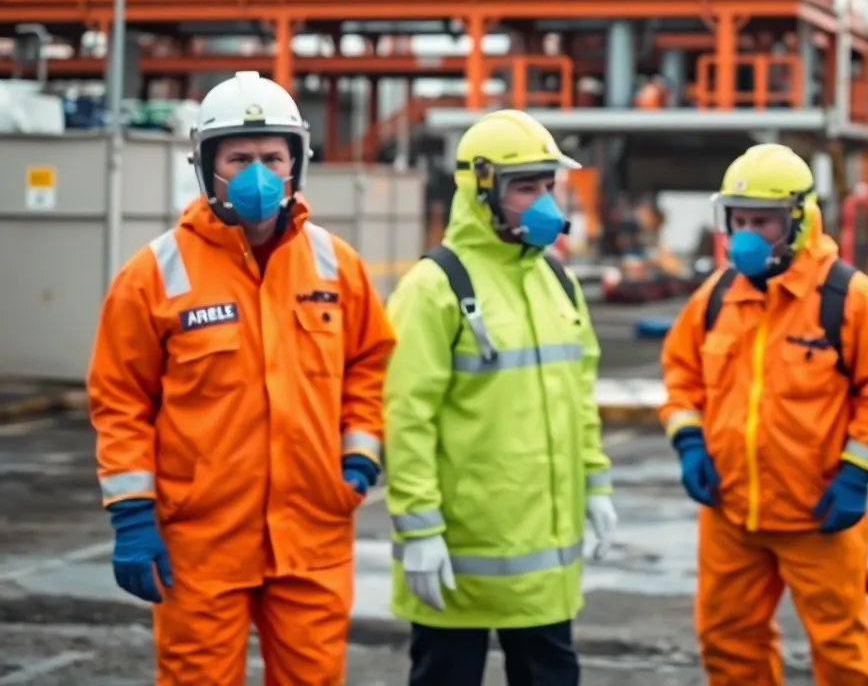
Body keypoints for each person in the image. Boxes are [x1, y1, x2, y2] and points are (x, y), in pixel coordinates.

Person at [86, 71, 397, 685]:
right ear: (207, 165)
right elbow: (120, 399)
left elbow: (370, 364)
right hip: (202, 542)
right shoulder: (155, 274)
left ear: (296, 164)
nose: (259, 172)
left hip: (312, 534)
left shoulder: (337, 265)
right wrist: (131, 514)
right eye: (239, 158)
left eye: (272, 157)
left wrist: (358, 460)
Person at [658, 142, 868, 686]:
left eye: (763, 222)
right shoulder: (715, 297)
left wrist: (855, 475)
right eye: (740, 220)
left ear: (798, 220)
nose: (747, 234)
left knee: (844, 650)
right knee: (728, 644)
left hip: (817, 513)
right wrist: (689, 443)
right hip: (731, 514)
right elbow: (681, 374)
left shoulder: (847, 297)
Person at [382, 109, 617, 686]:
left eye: (547, 186)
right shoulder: (434, 289)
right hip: (457, 561)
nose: (544, 203)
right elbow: (406, 418)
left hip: (544, 570)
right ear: (481, 190)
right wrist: (418, 530)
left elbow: (579, 400)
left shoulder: (557, 281)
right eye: (526, 188)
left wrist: (597, 485)